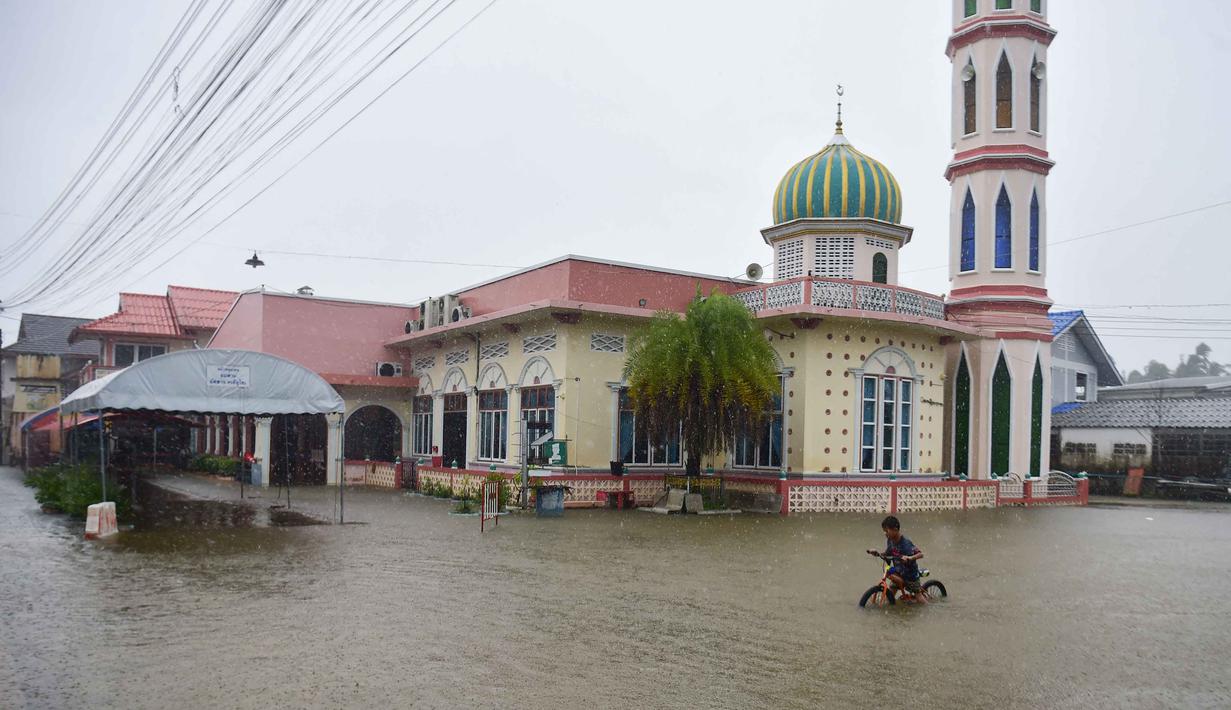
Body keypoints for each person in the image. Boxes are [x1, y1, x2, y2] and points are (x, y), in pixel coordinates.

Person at [866, 515, 924, 597]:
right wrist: (877, 553)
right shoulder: (890, 540)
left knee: (919, 598)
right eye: (884, 531)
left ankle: (929, 607)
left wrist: (910, 558)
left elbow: (921, 554)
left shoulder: (906, 543)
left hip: (910, 575)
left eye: (887, 531)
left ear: (895, 530)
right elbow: (887, 553)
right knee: (891, 594)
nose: (885, 534)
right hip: (898, 572)